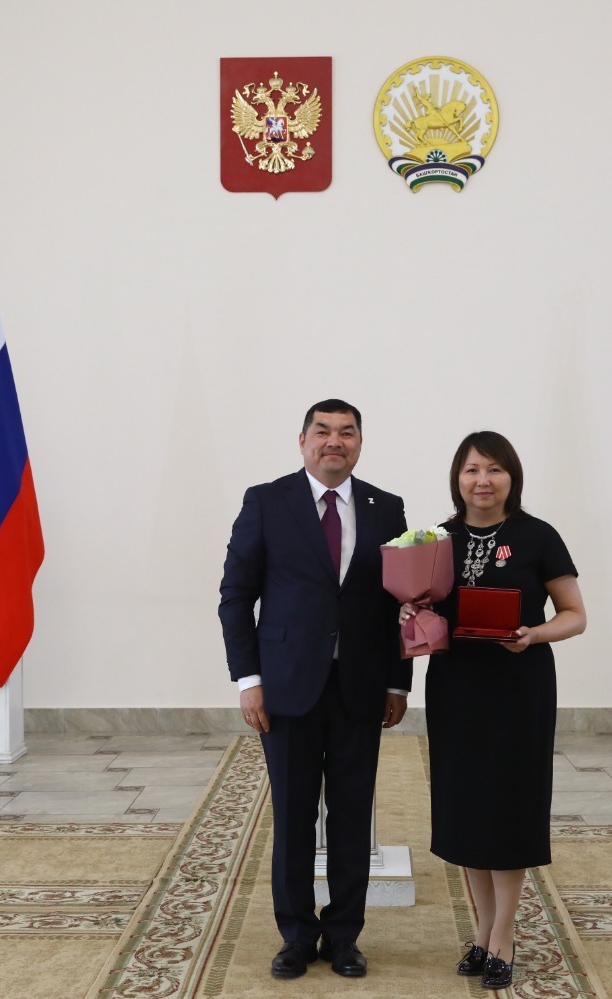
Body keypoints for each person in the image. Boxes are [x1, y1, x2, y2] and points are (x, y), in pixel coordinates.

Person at [218, 399, 410, 980]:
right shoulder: (266, 501)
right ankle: (297, 936)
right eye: (322, 431)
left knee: (352, 817)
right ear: (302, 440)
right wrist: (249, 680)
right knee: (294, 818)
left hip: (361, 688)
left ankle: (344, 937)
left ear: (359, 444)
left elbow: (402, 602)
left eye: (347, 433)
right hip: (285, 689)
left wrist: (398, 681)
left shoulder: (386, 508)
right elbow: (236, 596)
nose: (335, 441)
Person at [402, 430, 586, 990]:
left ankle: (503, 935)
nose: (482, 480)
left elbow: (574, 614)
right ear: (457, 478)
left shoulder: (538, 536)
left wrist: (534, 634)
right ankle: (482, 933)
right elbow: (425, 610)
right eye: (471, 470)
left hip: (518, 688)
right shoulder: (436, 540)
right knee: (466, 808)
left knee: (508, 807)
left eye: (494, 469)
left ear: (512, 477)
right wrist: (411, 614)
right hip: (457, 689)